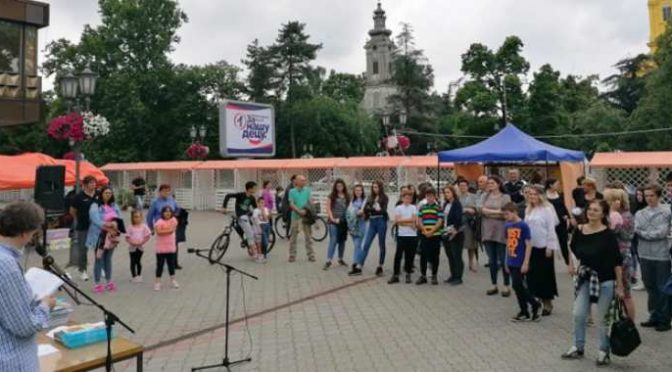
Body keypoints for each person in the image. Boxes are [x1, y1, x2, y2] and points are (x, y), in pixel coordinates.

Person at [562, 200, 624, 366]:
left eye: (596, 210)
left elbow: (617, 261)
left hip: (605, 279)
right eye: (589, 209)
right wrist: (571, 264)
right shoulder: (580, 230)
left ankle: (604, 351)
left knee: (602, 318)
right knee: (578, 313)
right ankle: (578, 346)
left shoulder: (608, 235)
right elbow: (572, 248)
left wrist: (620, 285)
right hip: (585, 278)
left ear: (603, 214)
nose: (591, 212)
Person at [0, 201, 56, 372]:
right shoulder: (6, 264)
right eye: (34, 233)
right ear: (24, 233)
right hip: (12, 360)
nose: (33, 238)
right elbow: (24, 326)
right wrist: (46, 305)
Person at [634, 184, 672, 332]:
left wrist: (645, 233)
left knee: (662, 287)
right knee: (650, 286)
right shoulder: (640, 213)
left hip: (661, 254)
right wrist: (649, 233)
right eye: (646, 195)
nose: (648, 198)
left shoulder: (666, 211)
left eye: (652, 195)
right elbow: (636, 229)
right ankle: (654, 315)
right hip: (644, 254)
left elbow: (662, 232)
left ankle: (665, 319)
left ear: (658, 196)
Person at [525, 185, 560, 316]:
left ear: (540, 195)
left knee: (545, 275)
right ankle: (536, 298)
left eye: (534, 194)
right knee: (533, 275)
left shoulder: (547, 209)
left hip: (544, 246)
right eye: (530, 194)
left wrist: (550, 247)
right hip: (531, 247)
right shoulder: (529, 210)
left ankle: (547, 301)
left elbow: (551, 228)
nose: (532, 196)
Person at [502, 202, 540, 322]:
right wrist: (506, 260)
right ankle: (524, 310)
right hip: (511, 260)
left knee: (518, 284)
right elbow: (507, 243)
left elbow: (528, 244)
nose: (506, 217)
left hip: (520, 260)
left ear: (514, 212)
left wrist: (526, 262)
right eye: (504, 215)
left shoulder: (523, 225)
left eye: (507, 214)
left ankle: (534, 304)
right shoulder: (507, 226)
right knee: (517, 287)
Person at [604, 188, 636, 320]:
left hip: (622, 257)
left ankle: (630, 324)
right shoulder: (615, 214)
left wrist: (611, 213)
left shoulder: (624, 216)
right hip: (612, 256)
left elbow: (612, 233)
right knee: (612, 291)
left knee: (625, 292)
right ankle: (615, 319)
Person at [349, 180, 389, 276]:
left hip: (381, 222)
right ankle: (359, 266)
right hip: (372, 222)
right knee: (366, 244)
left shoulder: (384, 197)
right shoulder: (370, 197)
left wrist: (374, 210)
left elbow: (383, 211)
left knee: (381, 244)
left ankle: (380, 266)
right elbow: (366, 210)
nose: (375, 189)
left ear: (380, 188)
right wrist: (374, 209)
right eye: (374, 187)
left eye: (377, 187)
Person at [481, 176, 512, 296]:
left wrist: (489, 212)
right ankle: (493, 284)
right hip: (488, 231)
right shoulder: (485, 196)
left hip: (501, 231)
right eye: (488, 183)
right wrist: (496, 212)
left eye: (492, 183)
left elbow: (505, 212)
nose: (490, 185)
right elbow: (481, 210)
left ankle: (506, 285)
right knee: (492, 260)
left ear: (499, 184)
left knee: (503, 258)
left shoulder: (505, 197)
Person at [87, 186, 121, 294]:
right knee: (99, 259)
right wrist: (107, 225)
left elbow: (119, 218)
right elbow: (95, 219)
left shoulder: (114, 205)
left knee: (108, 259)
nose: (108, 195)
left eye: (110, 193)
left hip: (111, 237)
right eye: (106, 193)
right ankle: (97, 284)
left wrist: (115, 224)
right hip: (99, 237)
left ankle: (109, 282)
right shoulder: (95, 205)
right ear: (101, 194)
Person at [221, 181, 261, 260]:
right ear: (250, 189)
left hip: (246, 217)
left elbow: (255, 208)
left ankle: (249, 246)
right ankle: (255, 254)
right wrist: (224, 207)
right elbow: (228, 196)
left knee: (248, 233)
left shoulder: (252, 198)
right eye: (254, 188)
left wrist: (259, 212)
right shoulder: (240, 195)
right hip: (240, 216)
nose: (256, 189)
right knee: (249, 235)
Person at [146, 184, 182, 269]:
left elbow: (178, 209)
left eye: (168, 191)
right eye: (164, 191)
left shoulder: (172, 200)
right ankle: (161, 263)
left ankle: (174, 263)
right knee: (162, 244)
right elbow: (149, 216)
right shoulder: (155, 202)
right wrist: (150, 228)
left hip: (171, 225)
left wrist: (175, 216)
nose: (166, 192)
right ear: (160, 192)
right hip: (160, 226)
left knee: (174, 243)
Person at [69, 175, 98, 281]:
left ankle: (99, 268)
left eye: (94, 182)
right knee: (83, 249)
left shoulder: (98, 195)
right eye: (91, 183)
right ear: (85, 185)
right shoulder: (78, 197)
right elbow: (72, 211)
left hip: (97, 227)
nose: (93, 185)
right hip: (83, 227)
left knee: (98, 248)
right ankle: (83, 270)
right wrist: (79, 219)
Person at [415, 187, 444, 285]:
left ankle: (434, 276)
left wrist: (431, 231)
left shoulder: (438, 207)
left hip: (435, 235)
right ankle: (423, 276)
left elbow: (440, 221)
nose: (429, 198)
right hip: (424, 235)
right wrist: (424, 230)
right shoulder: (422, 207)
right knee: (423, 255)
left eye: (431, 196)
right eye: (427, 196)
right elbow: (419, 220)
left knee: (435, 255)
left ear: (434, 196)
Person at [389, 190, 418, 284]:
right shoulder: (398, 208)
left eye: (410, 198)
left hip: (412, 235)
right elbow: (397, 221)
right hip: (402, 235)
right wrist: (409, 224)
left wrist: (402, 221)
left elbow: (414, 219)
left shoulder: (413, 207)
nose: (408, 200)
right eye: (406, 198)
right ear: (402, 198)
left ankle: (408, 274)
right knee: (398, 255)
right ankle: (395, 275)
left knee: (410, 256)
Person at [288, 175, 316, 263]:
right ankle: (292, 255)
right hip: (295, 217)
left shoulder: (307, 190)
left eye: (305, 180)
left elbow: (310, 202)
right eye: (302, 180)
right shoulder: (292, 191)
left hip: (306, 217)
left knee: (308, 237)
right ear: (296, 181)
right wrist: (299, 211)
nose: (304, 182)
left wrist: (309, 211)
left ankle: (311, 255)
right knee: (293, 238)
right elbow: (291, 203)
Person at [324, 179, 349, 270]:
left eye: (341, 186)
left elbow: (348, 209)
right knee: (333, 240)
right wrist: (332, 219)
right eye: (338, 186)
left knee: (342, 241)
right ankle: (328, 260)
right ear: (335, 186)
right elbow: (328, 208)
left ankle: (340, 258)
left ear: (344, 186)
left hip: (343, 221)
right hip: (333, 221)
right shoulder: (331, 196)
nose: (339, 188)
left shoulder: (347, 196)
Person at [442, 185, 464, 285]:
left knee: (456, 255)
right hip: (446, 232)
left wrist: (454, 230)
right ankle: (453, 275)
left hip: (455, 233)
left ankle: (458, 277)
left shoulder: (457, 204)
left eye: (448, 192)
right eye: (445, 193)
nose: (446, 194)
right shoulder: (446, 204)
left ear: (453, 193)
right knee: (450, 255)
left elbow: (458, 219)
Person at [545, 178, 570, 265]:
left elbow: (563, 206)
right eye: (557, 184)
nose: (559, 186)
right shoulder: (544, 196)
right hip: (549, 222)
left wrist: (567, 216)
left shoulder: (559, 194)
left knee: (563, 242)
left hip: (561, 222)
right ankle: (548, 263)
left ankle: (568, 262)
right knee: (549, 242)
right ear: (551, 185)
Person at [154, 206, 179, 291]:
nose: (167, 213)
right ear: (162, 213)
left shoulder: (174, 220)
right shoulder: (159, 222)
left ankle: (173, 280)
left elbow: (172, 229)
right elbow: (158, 232)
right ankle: (157, 282)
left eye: (169, 211)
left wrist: (164, 230)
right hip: (160, 248)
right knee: (159, 265)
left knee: (171, 265)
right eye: (165, 211)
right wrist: (168, 230)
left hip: (170, 247)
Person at [457, 179, 480, 272]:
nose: (462, 187)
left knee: (471, 244)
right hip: (459, 223)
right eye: (461, 186)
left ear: (467, 186)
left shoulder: (473, 197)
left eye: (464, 186)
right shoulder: (456, 197)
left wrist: (470, 210)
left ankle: (471, 262)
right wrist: (466, 209)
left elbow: (476, 209)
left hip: (470, 223)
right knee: (459, 244)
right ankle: (459, 263)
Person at [125, 209, 151, 283]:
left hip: (140, 247)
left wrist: (143, 241)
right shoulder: (130, 227)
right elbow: (127, 237)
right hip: (132, 247)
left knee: (138, 261)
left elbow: (148, 235)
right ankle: (134, 276)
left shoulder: (144, 226)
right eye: (135, 217)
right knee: (132, 261)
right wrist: (131, 242)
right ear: (132, 218)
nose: (137, 218)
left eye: (139, 217)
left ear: (141, 217)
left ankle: (139, 275)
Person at [346, 184, 367, 274]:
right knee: (356, 246)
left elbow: (365, 214)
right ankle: (357, 263)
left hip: (361, 226)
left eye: (360, 190)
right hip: (352, 226)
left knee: (357, 245)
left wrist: (361, 212)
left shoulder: (365, 201)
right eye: (356, 190)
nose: (358, 192)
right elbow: (348, 213)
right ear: (354, 191)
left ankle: (356, 265)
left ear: (362, 191)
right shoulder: (351, 201)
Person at [253, 197, 271, 261]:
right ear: (257, 203)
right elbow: (255, 219)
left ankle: (264, 253)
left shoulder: (265, 209)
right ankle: (260, 253)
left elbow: (266, 219)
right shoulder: (255, 210)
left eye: (263, 203)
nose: (262, 204)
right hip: (261, 226)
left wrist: (263, 211)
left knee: (266, 240)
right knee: (264, 241)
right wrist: (258, 227)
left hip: (267, 225)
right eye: (261, 202)